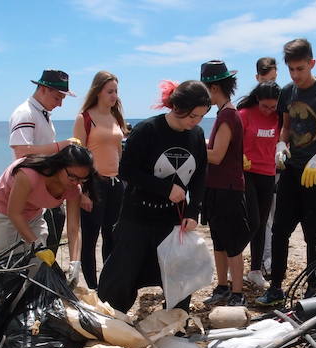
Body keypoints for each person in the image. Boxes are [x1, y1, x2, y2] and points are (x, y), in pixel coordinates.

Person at [97, 80, 210, 313]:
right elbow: (127, 170)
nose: (197, 122)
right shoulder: (147, 130)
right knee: (122, 275)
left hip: (171, 220)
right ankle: (112, 322)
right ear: (178, 108)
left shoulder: (197, 135)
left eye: (201, 116)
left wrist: (193, 210)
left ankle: (175, 323)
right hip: (136, 217)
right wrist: (165, 189)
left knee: (177, 272)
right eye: (193, 116)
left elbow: (199, 175)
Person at [256, 38, 316, 306]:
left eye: (300, 69)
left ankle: (313, 287)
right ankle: (276, 288)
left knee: (313, 235)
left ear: (311, 63)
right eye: (291, 70)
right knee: (280, 230)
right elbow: (285, 126)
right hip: (292, 172)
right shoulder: (287, 92)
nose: (296, 75)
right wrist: (281, 145)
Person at [0, 144, 93, 283]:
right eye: (72, 177)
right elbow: (14, 213)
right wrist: (36, 245)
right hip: (4, 213)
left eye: (82, 179)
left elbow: (73, 228)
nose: (76, 183)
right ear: (60, 166)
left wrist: (75, 263)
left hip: (33, 212)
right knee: (12, 263)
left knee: (36, 265)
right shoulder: (29, 175)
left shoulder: (74, 188)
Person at [9, 69, 77, 253]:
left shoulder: (42, 114)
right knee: (38, 250)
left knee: (50, 245)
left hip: (48, 186)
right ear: (43, 89)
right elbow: (21, 152)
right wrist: (61, 146)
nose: (61, 104)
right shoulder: (25, 113)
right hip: (32, 190)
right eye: (57, 98)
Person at [200, 60, 249, 307]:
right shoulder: (224, 113)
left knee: (232, 243)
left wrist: (193, 146)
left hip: (228, 188)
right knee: (219, 240)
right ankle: (222, 286)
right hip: (218, 187)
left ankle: (237, 292)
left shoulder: (228, 115)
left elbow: (217, 155)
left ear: (214, 88)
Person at [72, 71, 127, 289]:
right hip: (94, 184)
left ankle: (109, 284)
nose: (114, 96)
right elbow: (78, 156)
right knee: (91, 237)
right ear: (98, 92)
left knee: (112, 236)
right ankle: (93, 288)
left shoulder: (116, 117)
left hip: (116, 184)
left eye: (116, 91)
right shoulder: (84, 118)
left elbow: (118, 151)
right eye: (110, 91)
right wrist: (83, 190)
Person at [237, 81, 281, 289]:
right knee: (252, 221)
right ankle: (233, 258)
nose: (269, 110)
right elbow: (232, 143)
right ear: (257, 100)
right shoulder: (244, 114)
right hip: (247, 173)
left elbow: (283, 137)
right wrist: (240, 157)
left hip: (268, 172)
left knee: (262, 224)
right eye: (265, 106)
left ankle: (255, 270)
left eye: (273, 106)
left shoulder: (279, 116)